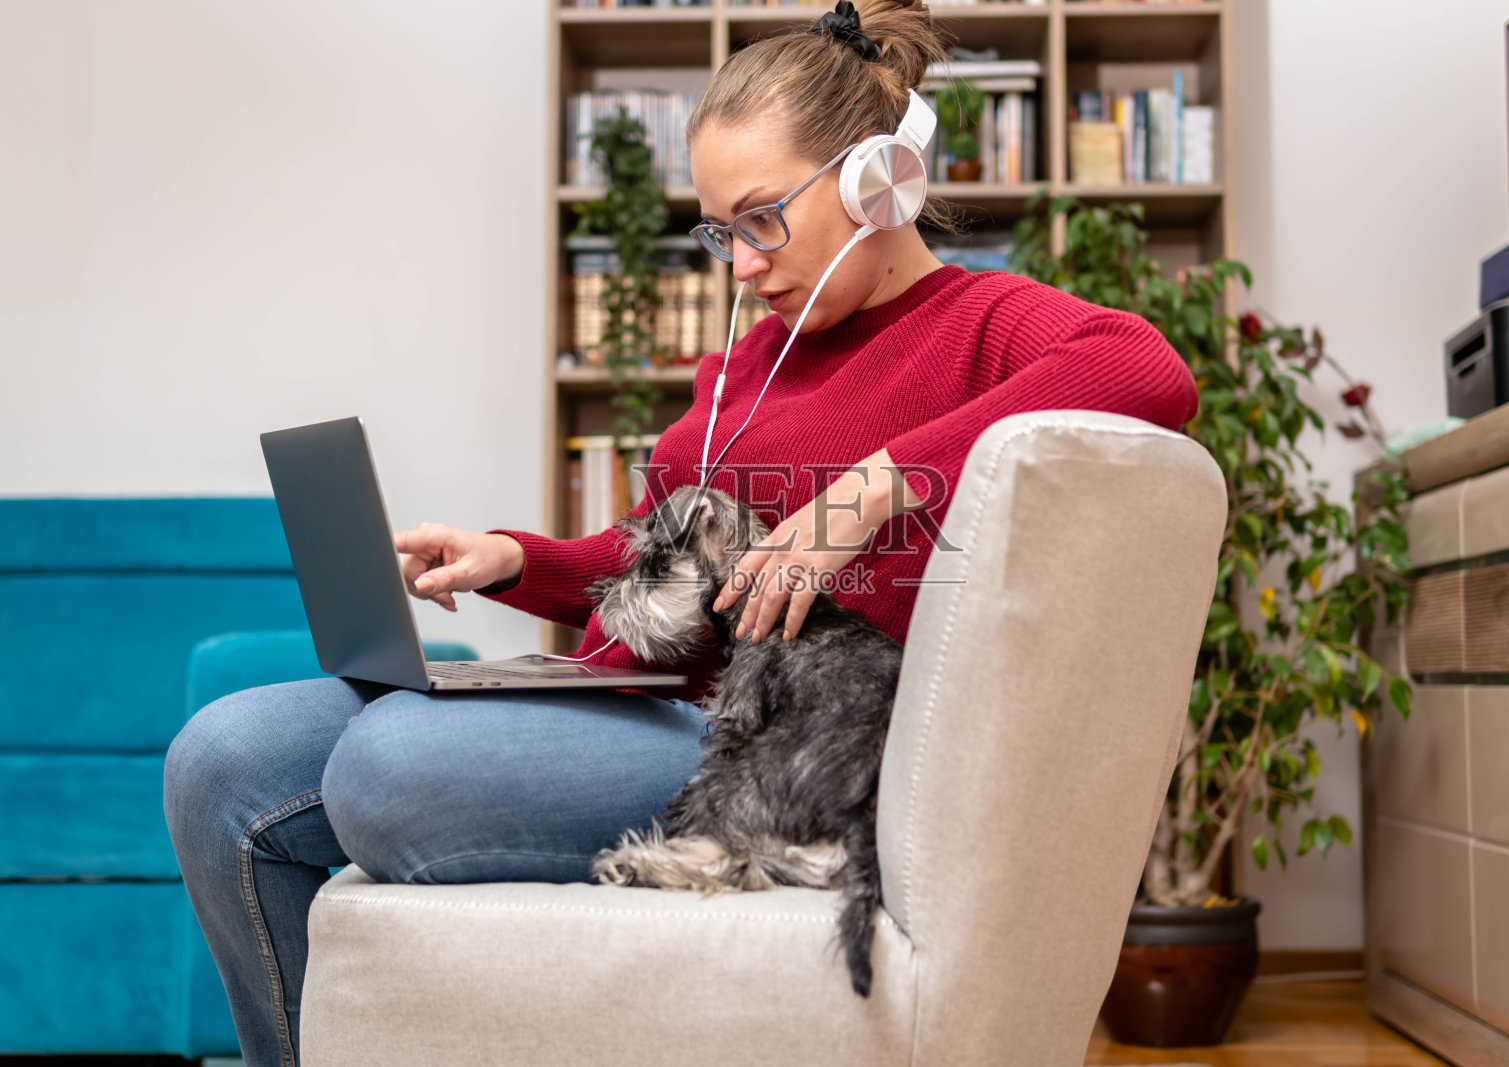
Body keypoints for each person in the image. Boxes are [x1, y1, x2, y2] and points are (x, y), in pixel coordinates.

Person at [162, 1, 1199, 1063]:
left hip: (759, 750)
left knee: (389, 767)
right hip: (636, 697)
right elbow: (667, 560)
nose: (740, 264)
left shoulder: (983, 325)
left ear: (874, 183)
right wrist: (520, 560)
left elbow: (1144, 370)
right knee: (221, 757)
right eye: (719, 231)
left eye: (762, 219)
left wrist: (865, 491)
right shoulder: (743, 367)